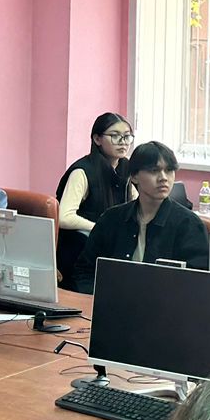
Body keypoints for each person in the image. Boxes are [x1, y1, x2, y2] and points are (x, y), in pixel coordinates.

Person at [89, 142, 210, 271]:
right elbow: (85, 269)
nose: (163, 178)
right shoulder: (111, 219)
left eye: (169, 170)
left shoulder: (189, 224)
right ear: (134, 176)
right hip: (114, 285)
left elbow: (197, 278)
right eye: (154, 171)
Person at [54, 112, 134, 292]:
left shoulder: (126, 168)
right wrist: (100, 228)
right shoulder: (83, 171)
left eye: (127, 136)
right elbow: (64, 217)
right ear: (97, 139)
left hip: (109, 252)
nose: (123, 142)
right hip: (79, 254)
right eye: (115, 136)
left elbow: (136, 202)